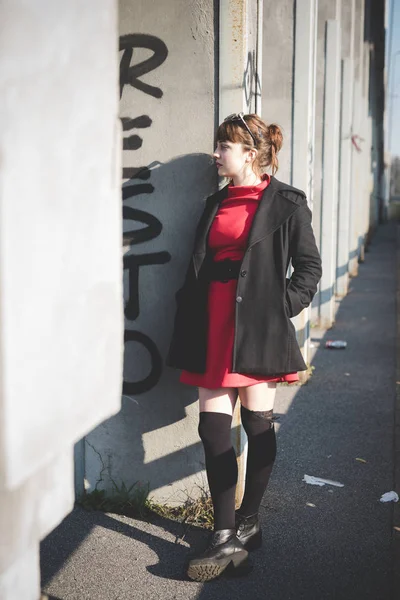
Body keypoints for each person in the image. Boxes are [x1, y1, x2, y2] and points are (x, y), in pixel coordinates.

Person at [166, 112, 322, 582]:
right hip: (212, 327)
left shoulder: (287, 204)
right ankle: (224, 534)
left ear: (249, 154)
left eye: (223, 147)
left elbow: (309, 269)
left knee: (257, 424)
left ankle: (248, 519)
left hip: (258, 329)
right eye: (217, 146)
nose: (216, 154)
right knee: (213, 430)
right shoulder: (215, 203)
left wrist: (279, 308)